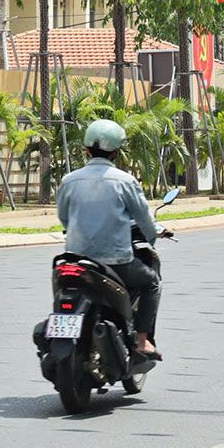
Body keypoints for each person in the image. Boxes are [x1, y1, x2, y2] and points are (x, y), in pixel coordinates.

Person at [54, 119, 163, 358]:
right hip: (116, 262)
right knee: (151, 282)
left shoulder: (69, 180)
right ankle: (143, 341)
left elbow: (64, 217)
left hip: (74, 260)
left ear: (86, 149)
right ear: (115, 152)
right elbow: (144, 219)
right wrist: (153, 237)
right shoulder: (125, 181)